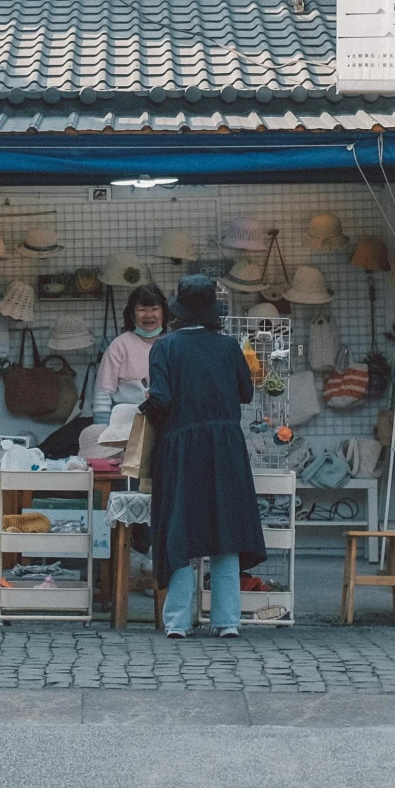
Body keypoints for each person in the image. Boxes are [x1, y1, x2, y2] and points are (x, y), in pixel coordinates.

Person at [141, 274, 265, 639]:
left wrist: (146, 405)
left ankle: (178, 621)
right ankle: (227, 621)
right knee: (225, 532)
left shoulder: (164, 348)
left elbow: (161, 398)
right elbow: (245, 393)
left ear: (176, 310)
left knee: (182, 529)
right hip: (225, 445)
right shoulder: (229, 347)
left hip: (181, 446)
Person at [93, 286, 169, 416]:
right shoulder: (119, 345)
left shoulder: (172, 344)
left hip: (167, 420)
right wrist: (102, 425)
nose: (148, 315)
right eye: (142, 310)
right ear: (132, 315)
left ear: (164, 312)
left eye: (154, 309)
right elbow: (103, 391)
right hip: (126, 421)